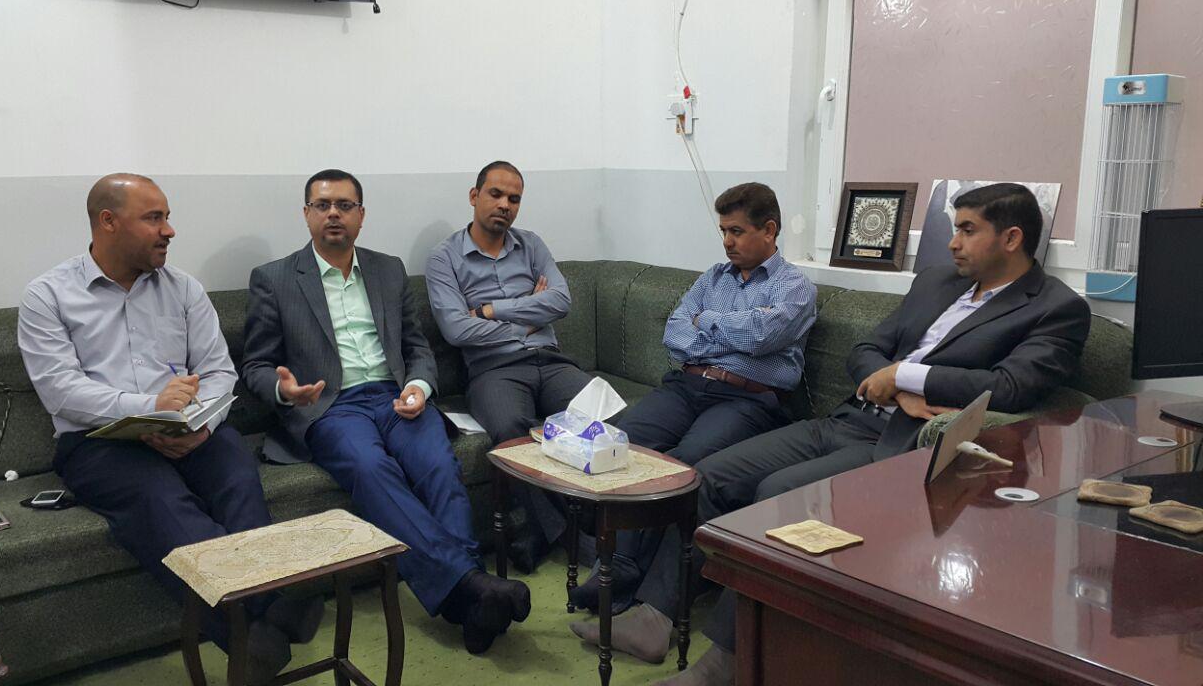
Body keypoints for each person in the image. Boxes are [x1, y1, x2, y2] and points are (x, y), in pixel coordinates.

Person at [571, 182, 1093, 685]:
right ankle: (656, 616)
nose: (953, 241)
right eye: (955, 228)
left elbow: (1013, 385)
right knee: (707, 476)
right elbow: (864, 350)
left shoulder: (1056, 309)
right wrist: (891, 381)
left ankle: (723, 665)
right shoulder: (937, 282)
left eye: (967, 230)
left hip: (901, 444)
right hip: (848, 417)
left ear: (1011, 237)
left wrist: (903, 375)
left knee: (775, 494)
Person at [19, 174, 314, 685]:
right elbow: (61, 391)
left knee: (237, 477)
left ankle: (261, 620)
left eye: (167, 217)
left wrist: (203, 423)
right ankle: (258, 620)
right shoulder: (48, 296)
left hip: (191, 426)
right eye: (154, 218)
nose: (169, 230)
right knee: (160, 502)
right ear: (108, 222)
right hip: (100, 441)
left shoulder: (183, 288)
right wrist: (149, 406)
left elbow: (219, 371)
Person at [241, 169, 530, 655]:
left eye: (345, 205)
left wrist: (419, 386)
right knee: (372, 469)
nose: (334, 214)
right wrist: (283, 390)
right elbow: (254, 365)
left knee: (438, 464)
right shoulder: (274, 278)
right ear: (307, 214)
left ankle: (470, 598)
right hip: (330, 406)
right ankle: (470, 589)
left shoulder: (387, 269)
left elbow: (416, 346)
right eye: (323, 205)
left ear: (362, 215)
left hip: (395, 398)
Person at [569, 182, 817, 613]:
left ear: (769, 230)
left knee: (684, 462)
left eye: (737, 231)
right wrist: (729, 332)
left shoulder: (793, 286)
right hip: (687, 385)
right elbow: (675, 332)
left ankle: (625, 572)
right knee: (622, 442)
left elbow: (763, 336)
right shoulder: (713, 277)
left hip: (746, 398)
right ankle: (619, 565)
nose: (727, 242)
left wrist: (707, 322)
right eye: (723, 231)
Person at [426, 160, 594, 572]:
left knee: (601, 414)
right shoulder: (444, 258)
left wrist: (491, 310)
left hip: (551, 361)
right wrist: (528, 317)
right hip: (494, 370)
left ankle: (541, 535)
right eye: (496, 194)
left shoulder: (531, 245)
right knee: (509, 431)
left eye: (514, 199)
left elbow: (561, 300)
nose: (505, 204)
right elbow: (456, 329)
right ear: (474, 196)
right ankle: (569, 535)